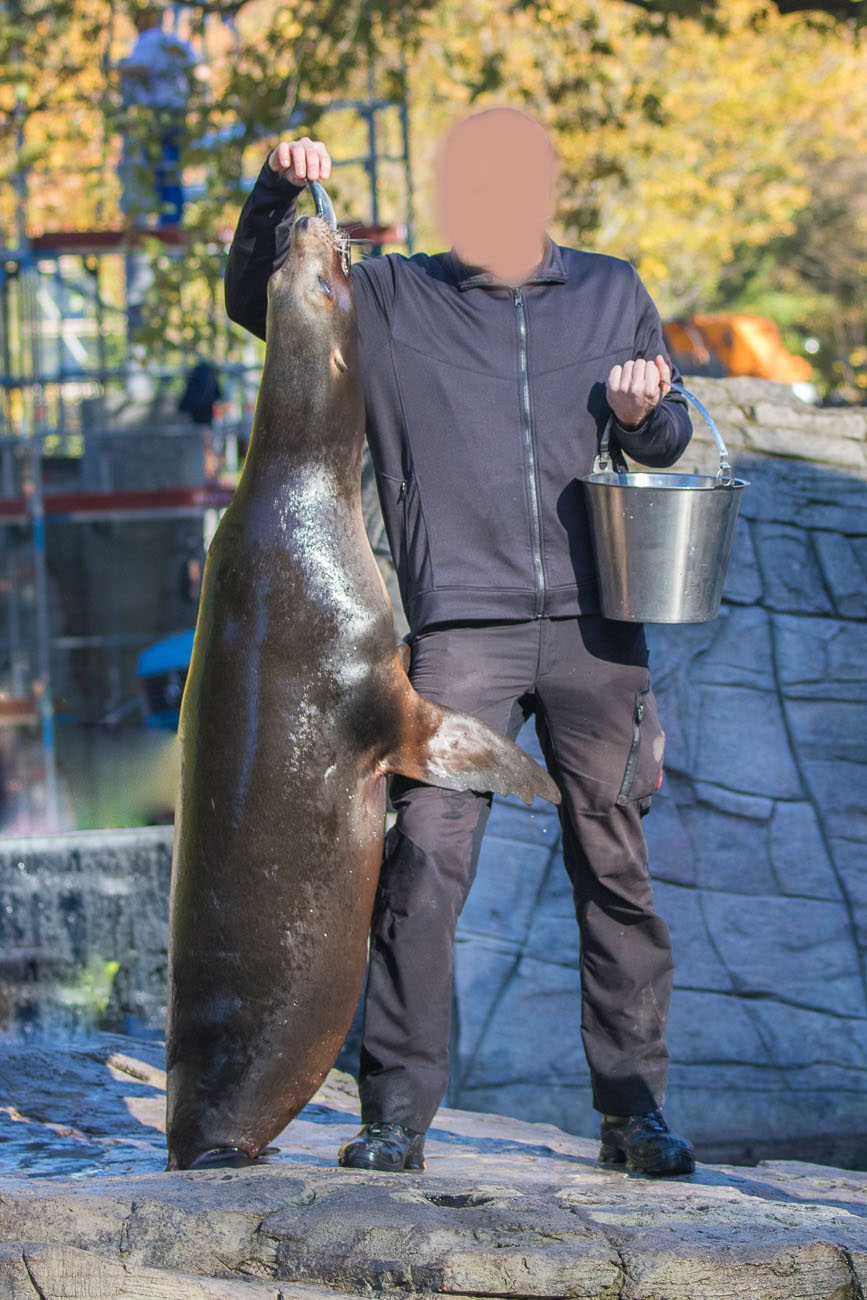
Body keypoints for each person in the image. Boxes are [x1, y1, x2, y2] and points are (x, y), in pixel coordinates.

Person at [224, 107, 696, 1178]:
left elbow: (668, 432)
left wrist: (640, 412)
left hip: (597, 633)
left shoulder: (613, 289)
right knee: (423, 864)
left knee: (615, 871)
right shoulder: (390, 298)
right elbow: (259, 306)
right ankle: (395, 1116)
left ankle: (635, 1114)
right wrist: (273, 193)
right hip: (459, 638)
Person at [118, 4, 197, 227]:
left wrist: (119, 68)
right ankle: (173, 216)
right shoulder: (173, 42)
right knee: (172, 163)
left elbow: (141, 67)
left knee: (159, 165)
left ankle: (167, 217)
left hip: (159, 112)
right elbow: (194, 65)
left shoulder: (148, 40)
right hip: (177, 110)